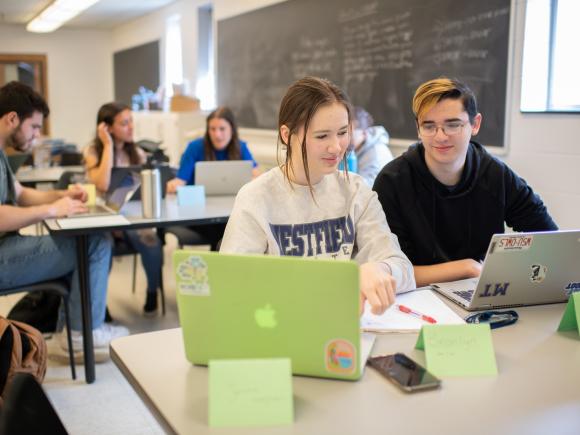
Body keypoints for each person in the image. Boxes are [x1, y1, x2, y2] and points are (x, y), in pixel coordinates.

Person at [220, 76, 415, 315]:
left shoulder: (356, 190)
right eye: (322, 136)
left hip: (347, 331)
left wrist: (382, 269)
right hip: (281, 324)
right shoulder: (256, 198)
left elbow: (403, 268)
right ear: (286, 134)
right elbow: (231, 283)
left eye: (343, 132)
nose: (336, 147)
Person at [373, 77, 558, 287]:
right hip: (415, 299)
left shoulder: (496, 175)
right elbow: (390, 271)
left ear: (475, 124)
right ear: (418, 128)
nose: (440, 137)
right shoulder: (392, 182)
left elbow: (550, 240)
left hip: (478, 293)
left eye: (453, 125)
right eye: (429, 126)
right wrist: (468, 268)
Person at [0, 81, 128, 357]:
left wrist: (63, 194)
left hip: (7, 250)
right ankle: (83, 333)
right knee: (94, 244)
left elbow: (20, 194)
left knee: (86, 240)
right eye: (34, 127)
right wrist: (51, 210)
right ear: (12, 119)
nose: (36, 135)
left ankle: (74, 331)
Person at [84, 102, 163, 315]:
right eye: (124, 123)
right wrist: (108, 146)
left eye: (131, 122)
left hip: (131, 219)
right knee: (102, 247)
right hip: (102, 220)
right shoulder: (92, 151)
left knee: (152, 242)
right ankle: (101, 304)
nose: (131, 127)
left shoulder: (137, 153)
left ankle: (152, 291)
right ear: (107, 128)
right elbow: (101, 184)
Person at [166, 106, 259, 250]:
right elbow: (180, 181)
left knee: (233, 229)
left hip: (229, 211)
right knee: (225, 234)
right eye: (212, 129)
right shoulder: (195, 147)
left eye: (222, 129)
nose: (217, 134)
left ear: (232, 130)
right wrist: (173, 186)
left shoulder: (240, 147)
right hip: (200, 214)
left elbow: (256, 175)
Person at [351, 107, 393, 186]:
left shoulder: (376, 155)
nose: (343, 138)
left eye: (350, 133)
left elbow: (366, 190)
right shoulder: (354, 149)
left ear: (364, 133)